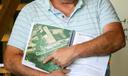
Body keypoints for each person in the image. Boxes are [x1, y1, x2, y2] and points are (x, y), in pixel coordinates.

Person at [4, 0, 126, 76]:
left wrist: (74, 52)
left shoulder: (100, 3)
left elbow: (117, 38)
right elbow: (10, 59)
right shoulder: (30, 11)